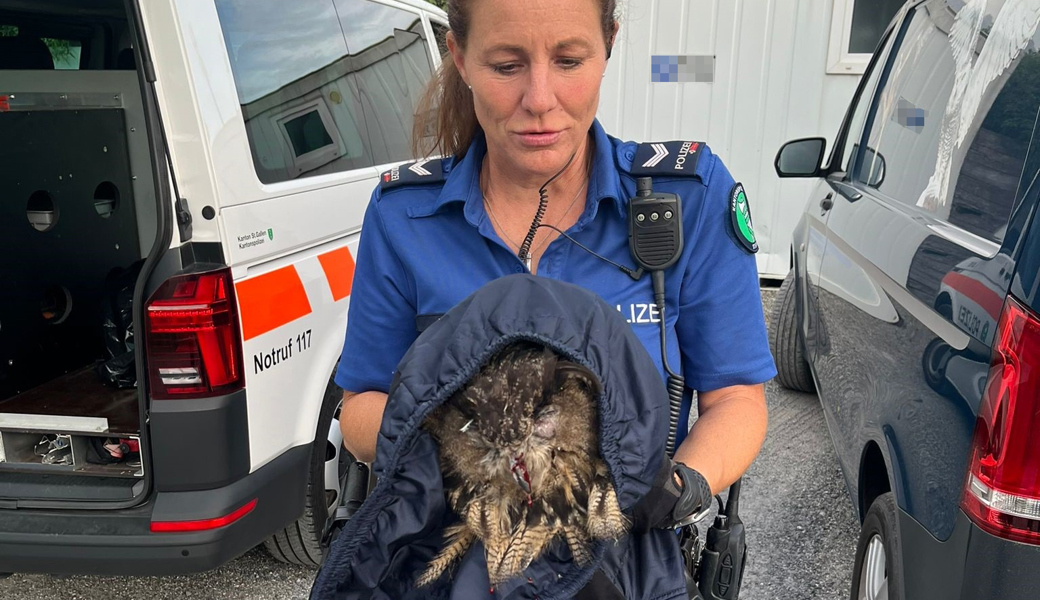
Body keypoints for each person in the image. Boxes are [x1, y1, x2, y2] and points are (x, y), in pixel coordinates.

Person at [334, 0, 774, 583]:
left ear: (609, 44)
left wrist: (675, 488)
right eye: (507, 65)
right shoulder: (405, 217)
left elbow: (737, 400)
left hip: (622, 572)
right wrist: (465, 448)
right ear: (460, 57)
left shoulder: (686, 201)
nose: (540, 99)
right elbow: (360, 406)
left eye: (569, 60)